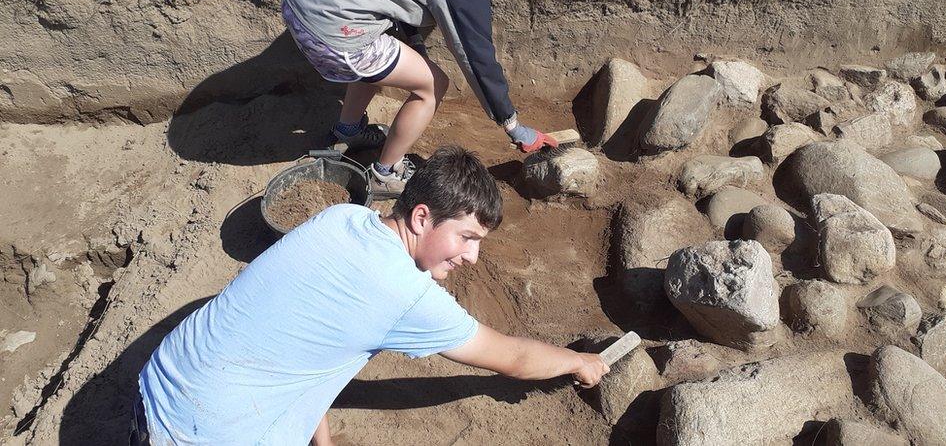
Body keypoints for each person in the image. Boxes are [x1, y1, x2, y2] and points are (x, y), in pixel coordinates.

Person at [133, 146, 609, 445]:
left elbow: (311, 347)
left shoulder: (342, 218)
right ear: (421, 217)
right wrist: (577, 362)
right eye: (466, 237)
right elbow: (511, 357)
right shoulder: (401, 292)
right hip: (196, 434)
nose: (472, 257)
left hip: (154, 391)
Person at [282, 0, 558, 200]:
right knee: (433, 85)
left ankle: (348, 133)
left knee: (385, 53)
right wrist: (513, 125)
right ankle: (385, 175)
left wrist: (413, 45)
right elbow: (476, 56)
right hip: (330, 30)